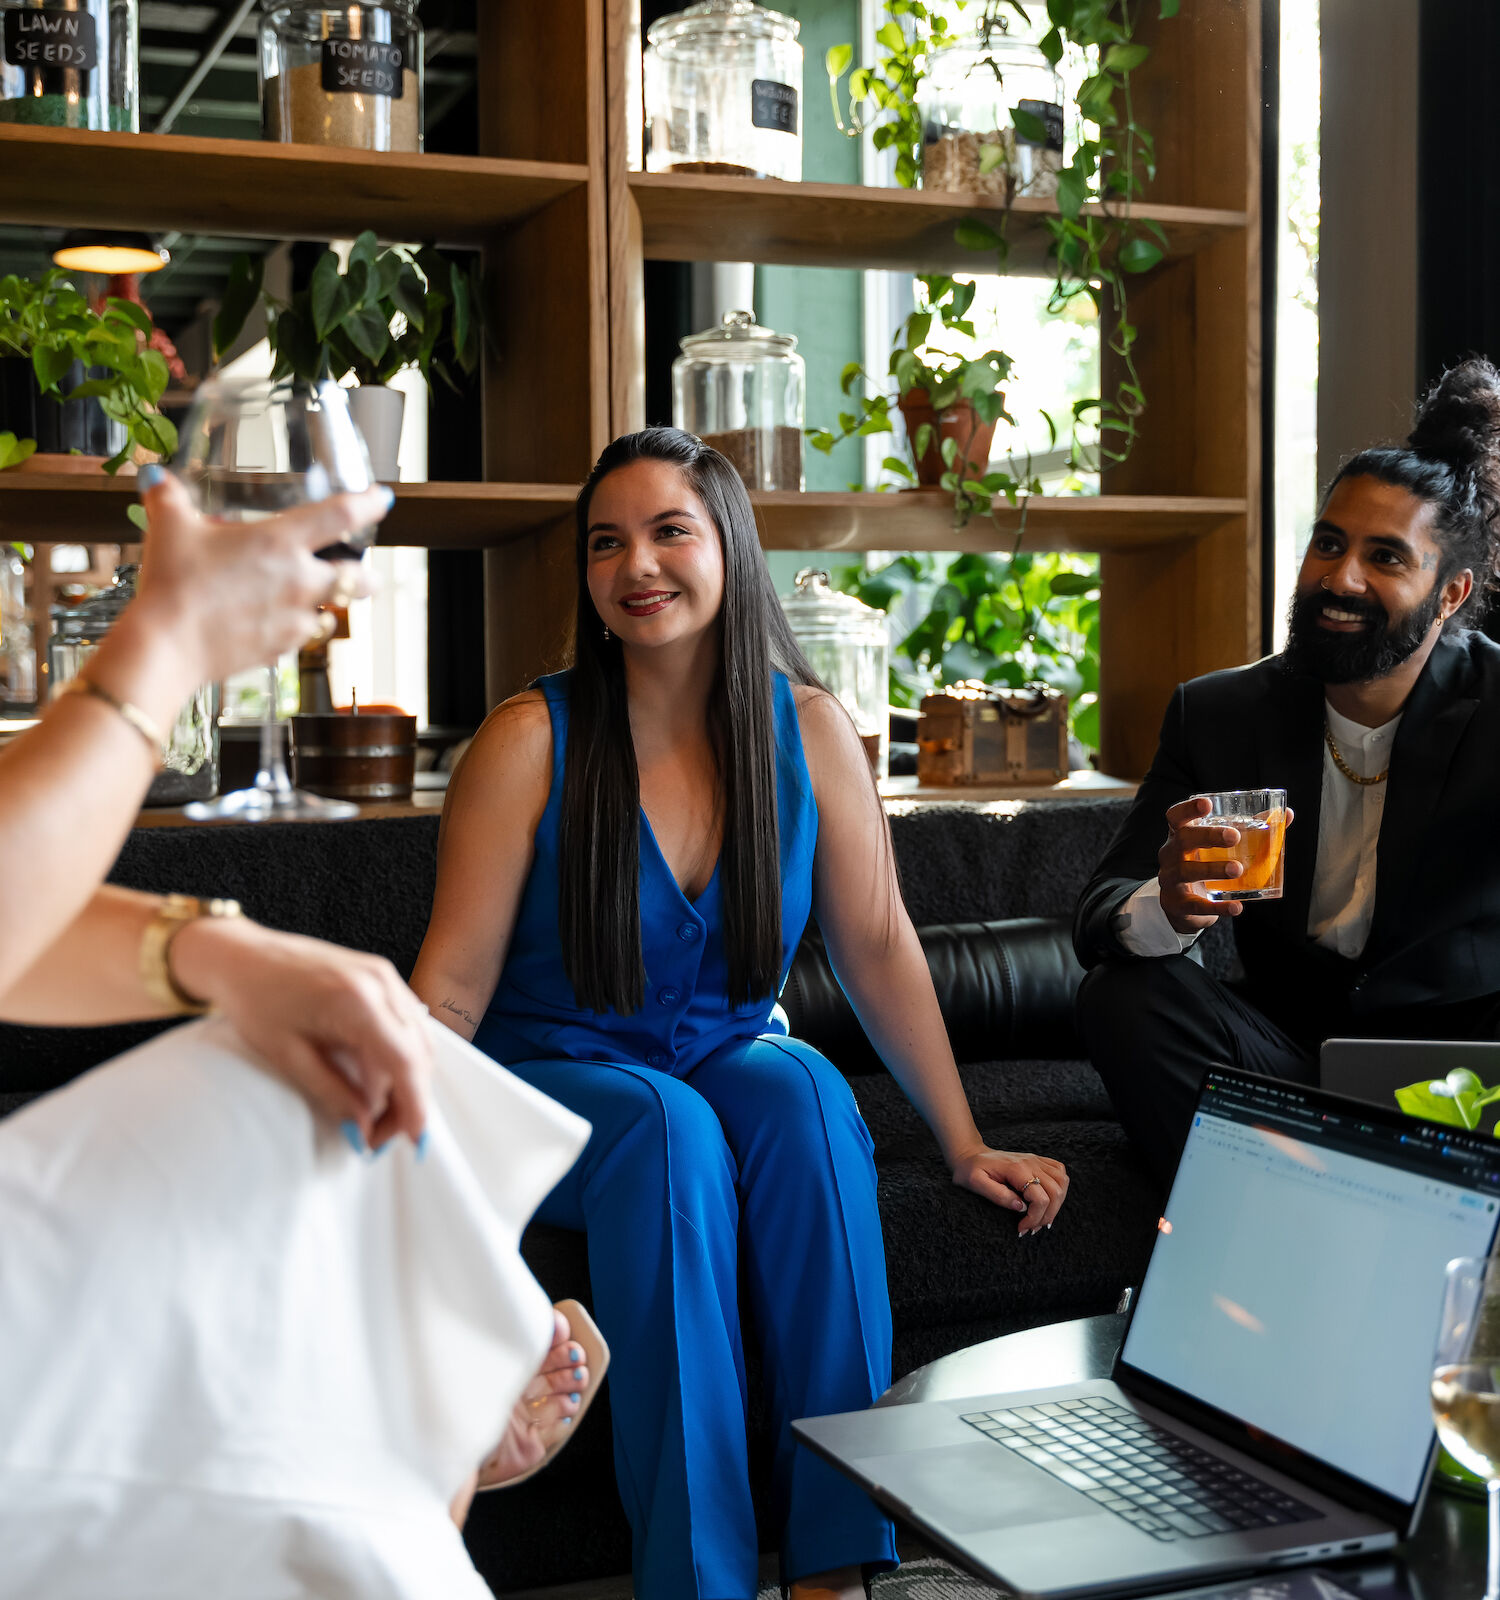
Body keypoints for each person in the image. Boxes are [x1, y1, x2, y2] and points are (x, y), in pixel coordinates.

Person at [411, 426, 1072, 1600]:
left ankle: (836, 1564)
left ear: (729, 546)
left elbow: (876, 945)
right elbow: (453, 987)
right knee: (668, 1131)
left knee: (811, 1094)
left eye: (670, 531)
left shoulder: (809, 729)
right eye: (606, 543)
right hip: (546, 1076)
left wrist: (964, 1141)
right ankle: (700, 1580)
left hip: (719, 1053)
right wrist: (383, 1154)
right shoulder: (527, 739)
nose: (637, 565)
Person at [1073, 357, 1500, 1186]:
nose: (1341, 577)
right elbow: (1098, 913)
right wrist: (1165, 904)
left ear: (1449, 595)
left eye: (1385, 557)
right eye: (1329, 543)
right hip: (1291, 1063)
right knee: (1124, 998)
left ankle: (1303, 1200)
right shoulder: (1221, 713)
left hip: (1460, 1087)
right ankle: (1279, 1214)